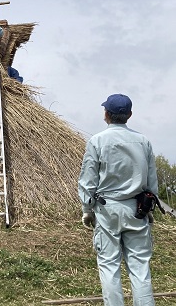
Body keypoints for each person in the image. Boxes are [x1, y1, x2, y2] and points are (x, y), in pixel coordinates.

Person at [78, 93, 159, 306]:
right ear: (129, 114)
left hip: (107, 210)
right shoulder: (143, 141)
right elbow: (152, 182)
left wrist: (87, 209)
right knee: (141, 267)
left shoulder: (97, 141)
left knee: (109, 265)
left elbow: (88, 180)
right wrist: (149, 209)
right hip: (137, 209)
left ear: (106, 114)